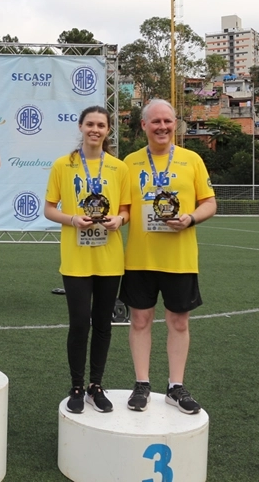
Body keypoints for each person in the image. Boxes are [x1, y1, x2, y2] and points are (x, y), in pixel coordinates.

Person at [120, 98, 216, 414]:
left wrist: (189, 218)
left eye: (168, 121)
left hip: (180, 257)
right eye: (156, 121)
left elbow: (209, 203)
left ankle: (176, 386)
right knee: (140, 320)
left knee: (178, 322)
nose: (162, 127)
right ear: (144, 125)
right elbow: (124, 209)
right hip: (139, 258)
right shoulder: (129, 163)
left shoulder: (192, 160)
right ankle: (142, 384)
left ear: (175, 124)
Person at [44, 106, 130, 414]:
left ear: (108, 130)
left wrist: (119, 220)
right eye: (90, 124)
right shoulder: (62, 165)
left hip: (110, 258)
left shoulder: (119, 168)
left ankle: (96, 385)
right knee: (80, 323)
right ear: (80, 126)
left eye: (101, 125)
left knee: (104, 324)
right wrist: (71, 219)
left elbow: (126, 210)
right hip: (76, 258)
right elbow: (49, 209)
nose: (95, 129)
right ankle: (77, 386)